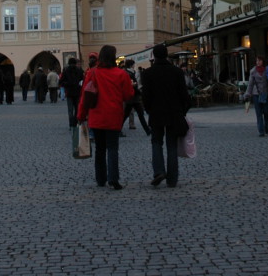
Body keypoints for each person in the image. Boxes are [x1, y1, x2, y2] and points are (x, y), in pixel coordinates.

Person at [77, 45, 134, 190]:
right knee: (113, 148)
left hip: (96, 116)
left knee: (100, 149)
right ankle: (113, 178)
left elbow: (85, 96)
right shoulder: (121, 74)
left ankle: (101, 179)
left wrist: (81, 115)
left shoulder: (93, 73)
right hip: (114, 116)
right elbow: (128, 95)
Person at [141, 44, 192, 188]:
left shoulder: (148, 73)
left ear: (154, 56)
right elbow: (184, 95)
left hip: (156, 113)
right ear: (166, 55)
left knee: (156, 142)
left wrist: (149, 109)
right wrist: (182, 111)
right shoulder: (176, 72)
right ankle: (172, 178)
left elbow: (146, 97)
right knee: (171, 145)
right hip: (174, 113)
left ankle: (158, 171)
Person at [122, 59, 150, 135]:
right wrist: (138, 90)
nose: (134, 65)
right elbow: (131, 85)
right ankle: (147, 130)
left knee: (138, 114)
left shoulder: (131, 72)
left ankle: (147, 130)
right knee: (130, 114)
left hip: (133, 97)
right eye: (134, 64)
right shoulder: (128, 73)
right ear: (131, 65)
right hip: (132, 97)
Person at [244, 56, 268, 136]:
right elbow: (250, 84)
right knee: (259, 113)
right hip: (256, 94)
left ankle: (266, 126)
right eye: (257, 61)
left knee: (266, 112)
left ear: (263, 61)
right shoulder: (253, 71)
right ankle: (261, 131)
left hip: (265, 93)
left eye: (259, 60)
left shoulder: (267, 70)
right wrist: (248, 94)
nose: (258, 62)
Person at [61, 57, 85, 128]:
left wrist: (67, 84)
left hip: (69, 93)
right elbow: (82, 80)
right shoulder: (79, 71)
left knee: (70, 110)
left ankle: (71, 124)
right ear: (75, 63)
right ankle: (75, 122)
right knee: (77, 109)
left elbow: (61, 82)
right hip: (77, 92)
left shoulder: (65, 71)